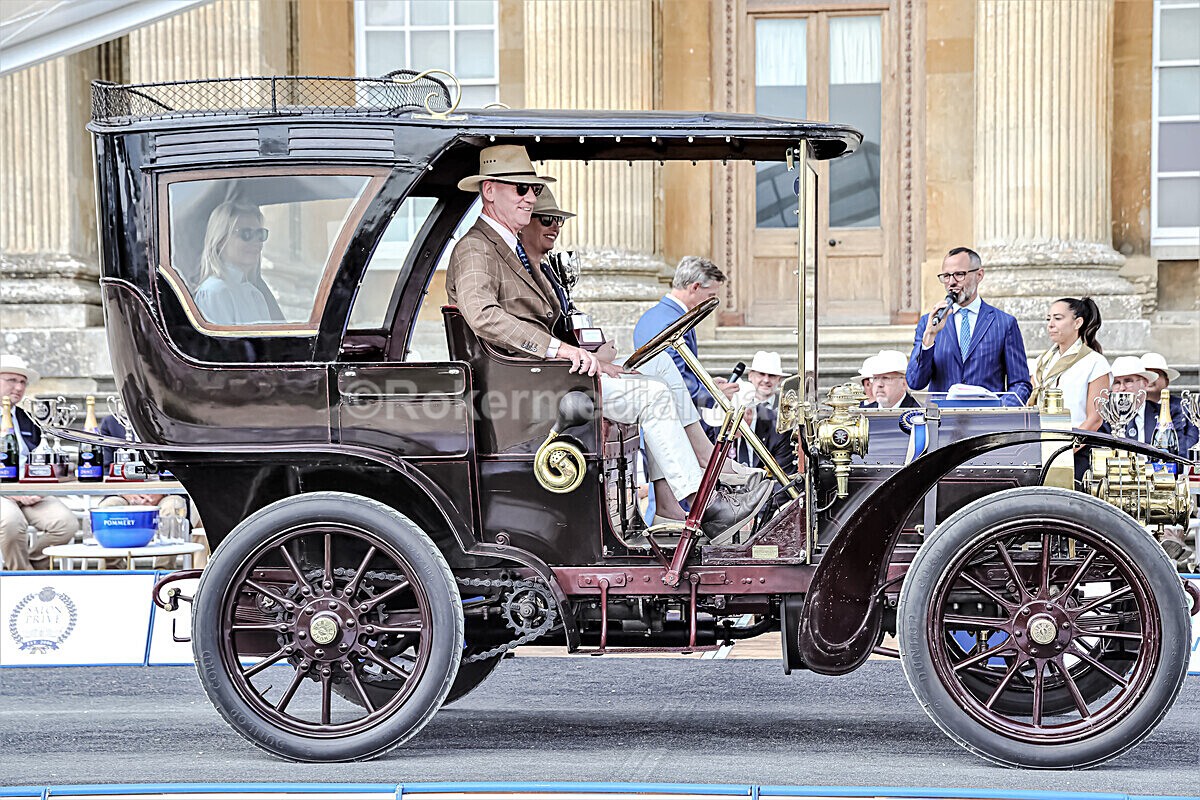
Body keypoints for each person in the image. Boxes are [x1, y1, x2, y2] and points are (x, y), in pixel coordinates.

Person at [445, 145, 769, 538]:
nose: (530, 198)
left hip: (548, 375)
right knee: (652, 394)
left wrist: (592, 357)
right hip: (526, 387)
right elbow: (483, 315)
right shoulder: (476, 247)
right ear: (489, 190)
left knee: (658, 371)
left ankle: (681, 497)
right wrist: (564, 350)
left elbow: (548, 321)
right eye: (521, 189)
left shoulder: (512, 249)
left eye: (534, 189)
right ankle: (702, 503)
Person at [907, 247, 1032, 406]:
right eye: (946, 276)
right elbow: (915, 382)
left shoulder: (1004, 323)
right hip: (942, 418)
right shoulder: (929, 322)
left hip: (988, 419)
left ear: (979, 275)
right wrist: (929, 337)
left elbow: (1021, 383)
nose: (951, 282)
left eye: (959, 274)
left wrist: (1000, 409)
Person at [0, 354, 80, 570]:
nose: (19, 387)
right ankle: (20, 575)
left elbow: (40, 459)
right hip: (2, 492)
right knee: (11, 523)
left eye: (23, 382)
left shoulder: (28, 418)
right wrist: (11, 492)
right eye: (11, 380)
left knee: (66, 524)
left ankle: (31, 569)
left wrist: (42, 484)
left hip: (31, 490)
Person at [634, 256, 740, 416]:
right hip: (671, 416)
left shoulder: (650, 316)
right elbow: (674, 381)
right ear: (695, 287)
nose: (712, 303)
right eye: (710, 295)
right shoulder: (675, 323)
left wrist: (707, 384)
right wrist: (714, 394)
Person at [193, 201, 285, 325]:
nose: (256, 242)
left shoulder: (255, 294)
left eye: (260, 234)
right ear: (220, 240)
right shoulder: (214, 292)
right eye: (246, 234)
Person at [1028, 297, 1110, 431]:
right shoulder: (1040, 362)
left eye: (1058, 318)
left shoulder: (1095, 362)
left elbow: (1094, 420)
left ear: (1077, 323)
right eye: (1048, 319)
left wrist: (1069, 444)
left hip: (1076, 439)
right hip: (1038, 437)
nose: (1050, 325)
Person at [1100, 356, 1198, 453]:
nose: (1122, 388)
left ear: (1145, 383)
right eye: (1116, 382)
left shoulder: (1168, 413)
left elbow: (1179, 452)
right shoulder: (1104, 416)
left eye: (1128, 381)